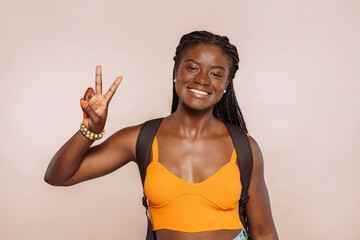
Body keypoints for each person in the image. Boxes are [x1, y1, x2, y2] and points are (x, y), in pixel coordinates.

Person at [44, 30, 278, 240]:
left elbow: (264, 232)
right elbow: (58, 177)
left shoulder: (244, 147)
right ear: (176, 71)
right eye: (192, 67)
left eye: (216, 74)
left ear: (227, 82)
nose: (202, 80)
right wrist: (90, 133)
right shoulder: (142, 138)